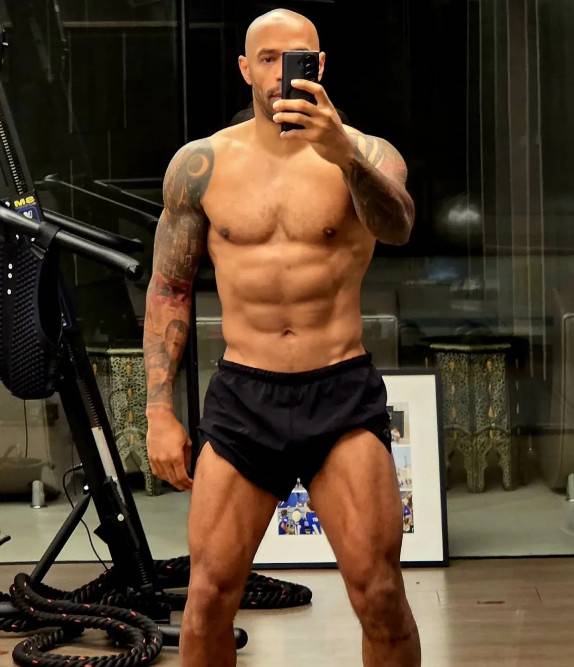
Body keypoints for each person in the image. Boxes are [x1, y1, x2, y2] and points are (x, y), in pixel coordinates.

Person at [143, 7, 420, 667]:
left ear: (318, 66)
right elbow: (168, 287)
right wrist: (157, 411)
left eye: (294, 58)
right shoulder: (201, 164)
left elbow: (398, 226)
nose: (279, 73)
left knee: (380, 593)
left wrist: (341, 154)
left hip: (340, 392)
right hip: (245, 396)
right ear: (245, 68)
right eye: (266, 58)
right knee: (208, 598)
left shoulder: (369, 154)